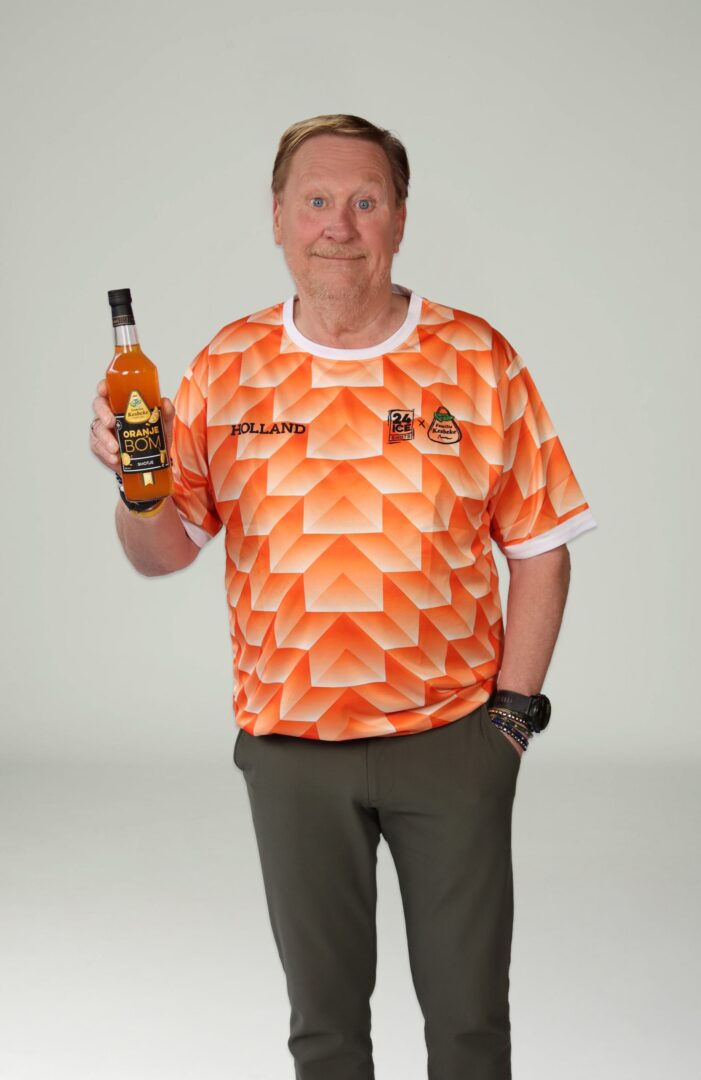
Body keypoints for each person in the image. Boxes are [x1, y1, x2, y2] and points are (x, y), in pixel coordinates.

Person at [90, 113, 597, 1079]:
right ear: (278, 218)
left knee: (470, 1027)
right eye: (316, 200)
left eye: (366, 201)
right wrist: (134, 486)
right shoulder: (227, 366)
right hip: (291, 753)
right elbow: (162, 554)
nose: (339, 224)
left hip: (452, 743)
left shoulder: (477, 359)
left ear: (400, 219)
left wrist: (511, 722)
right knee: (323, 1032)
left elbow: (542, 547)